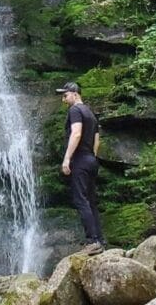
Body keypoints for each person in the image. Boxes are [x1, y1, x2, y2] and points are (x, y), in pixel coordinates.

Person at [56, 81, 106, 255]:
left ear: (75, 94)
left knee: (80, 200)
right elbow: (96, 139)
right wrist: (91, 156)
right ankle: (100, 239)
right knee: (91, 201)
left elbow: (76, 133)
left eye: (65, 95)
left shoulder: (75, 110)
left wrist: (67, 158)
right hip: (91, 160)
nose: (63, 99)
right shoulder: (91, 113)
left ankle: (92, 240)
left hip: (80, 160)